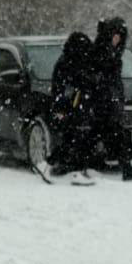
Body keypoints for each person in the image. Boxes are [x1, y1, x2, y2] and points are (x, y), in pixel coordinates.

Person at [91, 17, 132, 180]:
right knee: (113, 134)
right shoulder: (101, 51)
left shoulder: (113, 52)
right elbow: (101, 76)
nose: (117, 39)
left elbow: (113, 78)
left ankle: (125, 168)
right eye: (115, 35)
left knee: (117, 135)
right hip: (103, 102)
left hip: (110, 100)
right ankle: (124, 168)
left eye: (120, 36)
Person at [46, 32, 97, 183]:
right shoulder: (65, 63)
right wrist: (63, 106)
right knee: (71, 135)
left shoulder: (82, 62)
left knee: (76, 136)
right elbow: (60, 88)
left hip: (78, 104)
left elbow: (87, 82)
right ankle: (63, 165)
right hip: (68, 105)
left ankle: (74, 166)